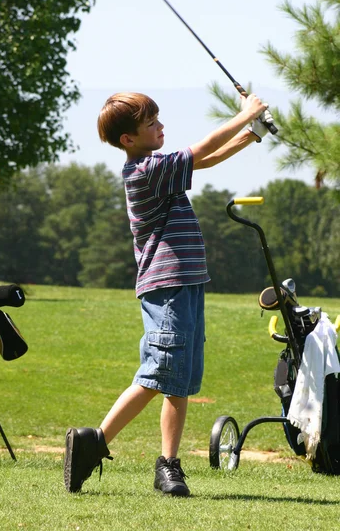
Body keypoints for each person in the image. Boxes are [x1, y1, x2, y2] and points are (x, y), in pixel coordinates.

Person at [64, 91, 270, 496]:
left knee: (179, 379)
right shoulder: (144, 170)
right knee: (159, 372)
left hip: (187, 282)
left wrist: (252, 133)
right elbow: (202, 147)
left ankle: (168, 466)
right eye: (152, 124)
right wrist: (246, 114)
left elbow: (205, 160)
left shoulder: (157, 166)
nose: (161, 128)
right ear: (128, 139)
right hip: (167, 284)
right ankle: (94, 442)